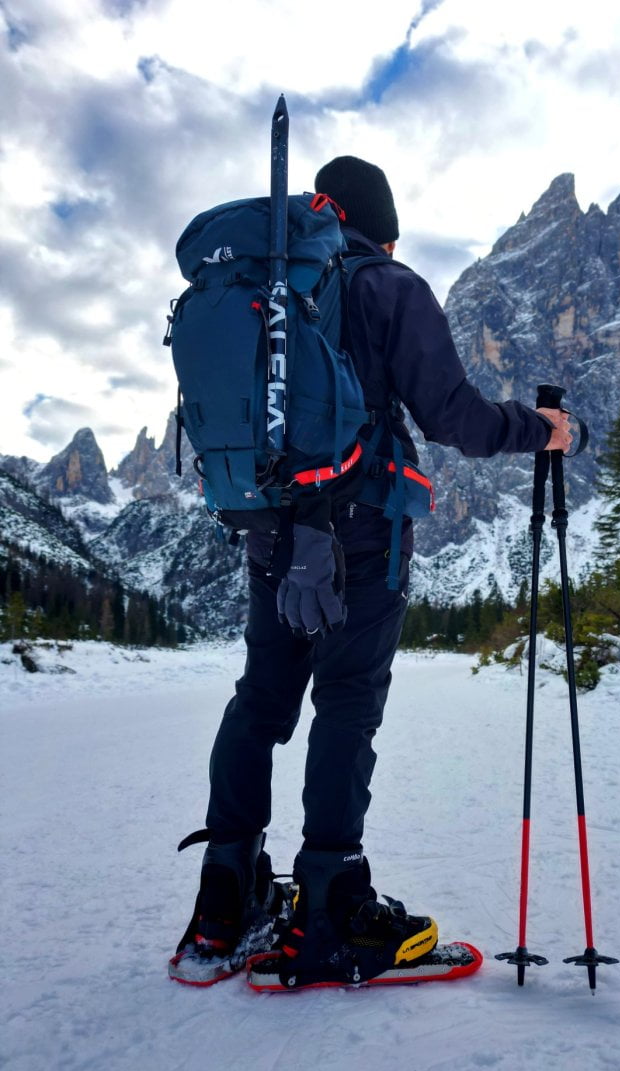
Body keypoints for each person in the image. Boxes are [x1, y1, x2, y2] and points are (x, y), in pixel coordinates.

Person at [171, 156, 572, 987]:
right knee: (346, 704)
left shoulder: (268, 284)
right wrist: (541, 430)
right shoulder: (389, 284)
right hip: (362, 529)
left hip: (270, 531)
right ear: (380, 223)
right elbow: (453, 416)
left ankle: (222, 901)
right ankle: (333, 909)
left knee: (262, 699)